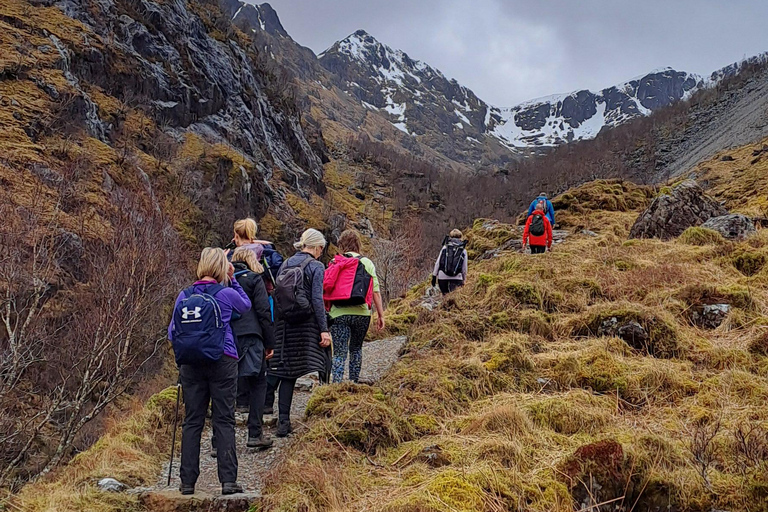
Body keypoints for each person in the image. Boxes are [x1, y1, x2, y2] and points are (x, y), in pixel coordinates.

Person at [168, 248, 250, 496]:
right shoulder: (225, 293)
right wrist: (233, 278)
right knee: (223, 419)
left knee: (192, 421)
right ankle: (228, 481)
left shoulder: (184, 295)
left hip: (190, 364)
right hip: (222, 360)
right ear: (222, 268)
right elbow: (245, 306)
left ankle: (187, 483)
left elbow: (172, 332)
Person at [269, 229, 332, 437]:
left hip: (285, 326)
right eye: (321, 248)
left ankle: (283, 423)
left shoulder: (286, 264)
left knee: (288, 373)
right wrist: (324, 330)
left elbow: (277, 296)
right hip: (306, 325)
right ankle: (323, 413)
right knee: (322, 363)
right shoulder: (316, 266)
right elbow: (317, 300)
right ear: (316, 247)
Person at [230, 247, 276, 450]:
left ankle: (218, 442)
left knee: (226, 385)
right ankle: (254, 433)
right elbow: (263, 311)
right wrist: (270, 343)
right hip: (252, 335)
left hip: (228, 337)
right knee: (258, 382)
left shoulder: (224, 280)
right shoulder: (255, 279)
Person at [328, 230, 385, 384]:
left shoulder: (335, 261)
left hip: (338, 314)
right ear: (358, 244)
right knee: (356, 349)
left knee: (339, 353)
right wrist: (380, 315)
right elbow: (376, 292)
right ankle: (353, 382)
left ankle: (336, 384)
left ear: (341, 245)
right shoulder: (367, 263)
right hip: (362, 314)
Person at [432, 229, 468, 295]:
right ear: (461, 237)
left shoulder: (445, 248)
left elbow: (437, 263)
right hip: (457, 277)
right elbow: (464, 268)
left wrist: (434, 276)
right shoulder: (463, 250)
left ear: (450, 237)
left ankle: (444, 304)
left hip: (442, 276)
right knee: (454, 298)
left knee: (445, 296)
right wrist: (464, 279)